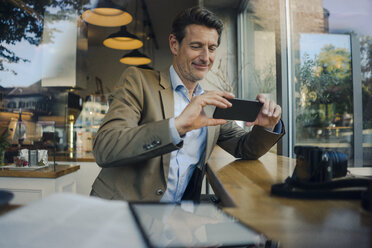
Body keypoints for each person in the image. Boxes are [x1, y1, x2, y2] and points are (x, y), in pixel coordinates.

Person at [90, 6, 284, 202]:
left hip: (173, 219)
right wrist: (177, 126)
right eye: (196, 46)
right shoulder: (138, 81)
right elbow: (105, 148)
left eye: (212, 48)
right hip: (121, 211)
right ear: (174, 45)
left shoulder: (211, 103)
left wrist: (267, 126)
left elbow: (245, 148)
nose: (205, 57)